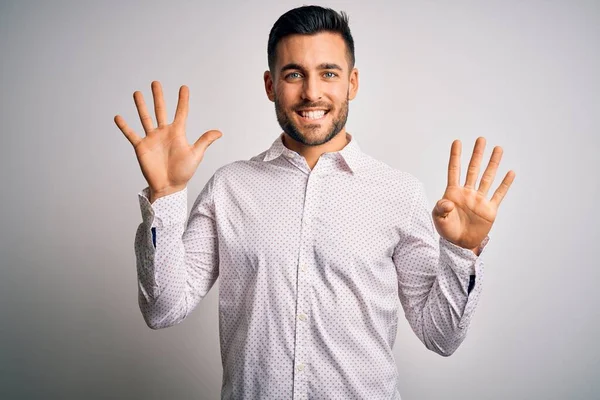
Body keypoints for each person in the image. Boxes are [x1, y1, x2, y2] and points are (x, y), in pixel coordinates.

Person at [114, 5, 515, 400]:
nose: (311, 92)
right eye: (294, 74)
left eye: (328, 73)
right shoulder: (229, 188)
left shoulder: (398, 194)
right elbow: (163, 310)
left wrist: (461, 253)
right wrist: (165, 195)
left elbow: (440, 336)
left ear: (351, 83)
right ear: (271, 85)